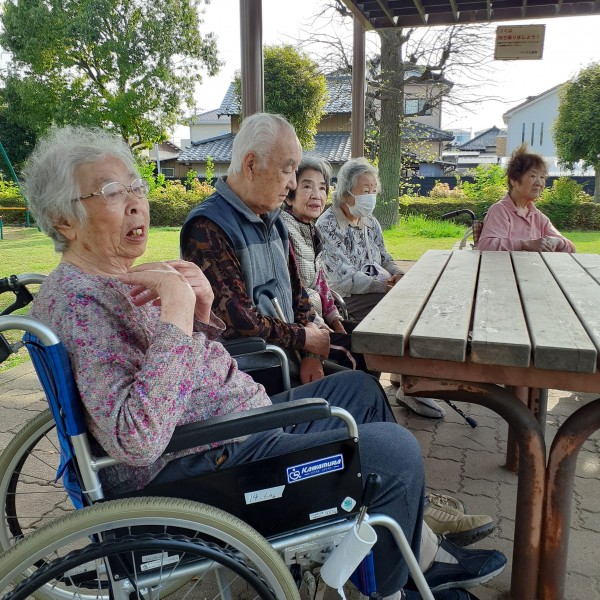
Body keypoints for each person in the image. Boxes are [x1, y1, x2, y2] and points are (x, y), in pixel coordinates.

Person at [24, 124, 505, 600]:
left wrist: (199, 313)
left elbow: (182, 366)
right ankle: (404, 578)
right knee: (393, 452)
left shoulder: (119, 280)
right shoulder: (80, 304)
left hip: (233, 427)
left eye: (137, 187)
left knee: (360, 390)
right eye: (113, 192)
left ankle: (403, 548)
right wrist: (177, 310)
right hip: (203, 465)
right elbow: (138, 438)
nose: (136, 203)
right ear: (63, 220)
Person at [316, 157, 446, 420]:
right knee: (403, 308)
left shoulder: (370, 222)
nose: (371, 196)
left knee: (415, 301)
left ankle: (405, 376)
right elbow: (340, 277)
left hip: (376, 289)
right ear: (346, 192)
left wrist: (398, 274)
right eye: (366, 190)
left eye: (374, 190)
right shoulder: (327, 225)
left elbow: (384, 257)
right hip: (347, 297)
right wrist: (382, 285)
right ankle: (412, 386)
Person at [281, 154, 368, 372]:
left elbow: (321, 283)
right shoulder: (284, 231)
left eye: (322, 188)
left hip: (320, 318)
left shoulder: (312, 230)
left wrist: (336, 320)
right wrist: (320, 326)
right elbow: (295, 292)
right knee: (361, 353)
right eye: (307, 187)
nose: (316, 195)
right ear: (289, 196)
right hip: (302, 328)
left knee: (370, 339)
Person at [477, 144, 575, 252]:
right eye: (533, 176)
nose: (539, 183)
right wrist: (525, 244)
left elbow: (571, 248)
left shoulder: (537, 217)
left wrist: (556, 241)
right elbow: (485, 245)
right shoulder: (500, 211)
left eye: (542, 177)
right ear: (513, 180)